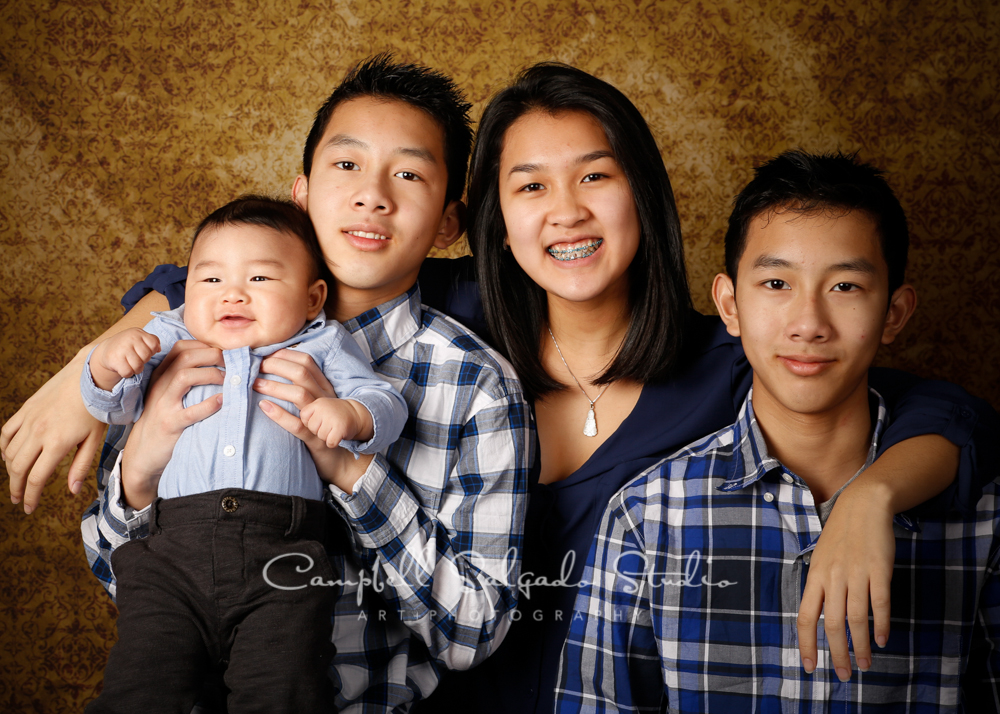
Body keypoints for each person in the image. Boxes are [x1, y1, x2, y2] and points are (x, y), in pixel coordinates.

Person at [417, 64, 998, 714]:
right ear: (497, 217)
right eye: (531, 185)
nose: (567, 211)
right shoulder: (443, 330)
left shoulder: (730, 362)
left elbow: (947, 413)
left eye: (595, 176)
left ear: (643, 193)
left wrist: (871, 495)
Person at [5, 55, 533, 712]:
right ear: (302, 192)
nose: (373, 194)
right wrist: (137, 476)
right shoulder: (196, 332)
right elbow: (123, 581)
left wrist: (352, 472)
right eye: (346, 165)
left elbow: (471, 631)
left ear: (448, 223)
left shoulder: (478, 387)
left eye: (409, 173)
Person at [555, 150, 1000, 711]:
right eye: (775, 283)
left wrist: (874, 495)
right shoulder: (649, 515)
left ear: (894, 313)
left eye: (845, 287)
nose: (808, 323)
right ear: (729, 304)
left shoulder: (981, 515)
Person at [82, 194, 410, 713]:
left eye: (259, 279)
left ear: (311, 297)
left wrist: (353, 414)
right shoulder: (169, 336)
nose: (232, 294)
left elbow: (386, 401)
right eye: (210, 279)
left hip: (285, 554)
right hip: (170, 556)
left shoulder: (321, 344)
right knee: (140, 686)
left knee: (282, 689)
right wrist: (105, 365)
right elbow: (115, 405)